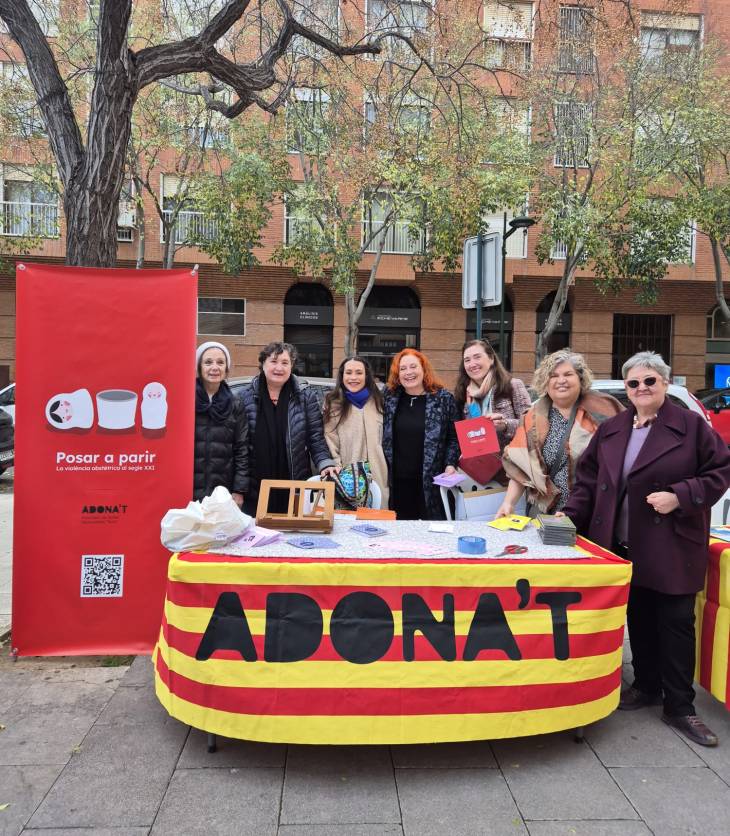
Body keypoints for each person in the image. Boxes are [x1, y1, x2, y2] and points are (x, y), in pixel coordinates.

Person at [561, 351, 730, 747]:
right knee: (637, 617)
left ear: (665, 383)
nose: (641, 388)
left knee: (675, 622)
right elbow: (588, 481)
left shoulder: (690, 426)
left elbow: (720, 471)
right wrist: (567, 517)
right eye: (634, 383)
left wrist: (680, 496)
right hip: (622, 544)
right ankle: (647, 685)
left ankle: (680, 706)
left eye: (650, 381)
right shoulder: (614, 427)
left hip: (672, 542)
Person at [496, 349, 622, 516]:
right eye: (554, 376)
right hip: (547, 514)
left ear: (580, 378)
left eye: (568, 374)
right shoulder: (532, 418)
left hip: (594, 512)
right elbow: (520, 467)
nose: (561, 380)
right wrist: (508, 503)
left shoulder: (605, 409)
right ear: (545, 382)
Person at [238, 341, 336, 514]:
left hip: (295, 485)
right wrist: (238, 487)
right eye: (273, 361)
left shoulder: (305, 396)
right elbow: (239, 447)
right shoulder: (244, 397)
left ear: (292, 366)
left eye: (285, 362)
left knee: (292, 528)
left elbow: (315, 438)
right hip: (254, 487)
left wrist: (325, 463)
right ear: (263, 364)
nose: (279, 368)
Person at [382, 348, 460, 520]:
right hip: (397, 482)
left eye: (413, 366)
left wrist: (450, 463)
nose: (408, 372)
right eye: (403, 369)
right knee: (399, 532)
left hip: (432, 482)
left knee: (433, 530)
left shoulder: (443, 399)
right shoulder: (389, 397)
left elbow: (454, 438)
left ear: (424, 369)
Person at [323, 356, 389, 507]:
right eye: (349, 372)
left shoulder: (379, 401)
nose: (353, 377)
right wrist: (339, 470)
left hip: (378, 474)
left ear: (366, 376)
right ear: (342, 376)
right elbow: (330, 440)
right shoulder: (333, 402)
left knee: (378, 517)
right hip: (348, 478)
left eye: (359, 373)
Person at [193, 341, 248, 507]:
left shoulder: (235, 404)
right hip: (188, 487)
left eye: (220, 362)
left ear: (227, 368)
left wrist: (239, 490)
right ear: (199, 367)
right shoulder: (186, 399)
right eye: (208, 362)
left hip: (222, 489)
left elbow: (242, 448)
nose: (214, 367)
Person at [454, 338, 531, 449]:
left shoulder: (512, 385)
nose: (472, 364)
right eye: (467, 360)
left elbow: (531, 426)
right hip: (479, 459)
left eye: (477, 357)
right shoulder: (464, 394)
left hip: (509, 458)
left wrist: (505, 425)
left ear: (491, 358)